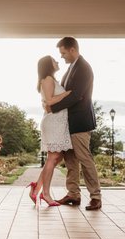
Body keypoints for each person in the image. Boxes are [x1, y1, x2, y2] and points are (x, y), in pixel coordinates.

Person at [48, 36, 102, 211]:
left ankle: (95, 197)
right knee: (71, 160)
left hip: (80, 122)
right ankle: (73, 194)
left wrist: (53, 107)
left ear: (72, 50)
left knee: (84, 159)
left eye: (63, 53)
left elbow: (76, 95)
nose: (62, 57)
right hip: (68, 123)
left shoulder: (84, 68)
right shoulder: (71, 68)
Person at [27, 55, 73, 207]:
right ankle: (45, 194)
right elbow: (50, 101)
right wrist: (67, 94)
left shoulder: (51, 79)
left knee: (55, 157)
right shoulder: (47, 78)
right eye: (54, 60)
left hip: (57, 122)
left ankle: (36, 187)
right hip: (53, 122)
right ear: (49, 64)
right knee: (53, 158)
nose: (57, 61)